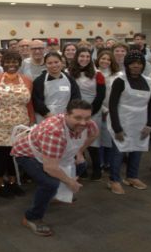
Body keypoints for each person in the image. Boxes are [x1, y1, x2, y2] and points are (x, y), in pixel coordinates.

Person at [11, 100, 98, 236]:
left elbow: (93, 135)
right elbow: (50, 167)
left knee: (82, 164)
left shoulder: (88, 123)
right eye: (77, 118)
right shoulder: (55, 131)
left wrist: (80, 152)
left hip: (52, 153)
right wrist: (70, 182)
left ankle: (55, 196)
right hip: (28, 154)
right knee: (50, 183)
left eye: (87, 118)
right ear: (66, 115)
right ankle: (31, 217)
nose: (83, 122)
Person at [0, 50, 35, 198]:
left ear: (19, 64)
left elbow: (30, 103)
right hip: (1, 121)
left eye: (14, 62)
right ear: (2, 63)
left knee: (16, 153)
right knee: (1, 154)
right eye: (8, 62)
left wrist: (32, 121)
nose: (11, 65)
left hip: (21, 121)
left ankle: (13, 182)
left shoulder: (27, 80)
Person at [107, 51, 151, 194]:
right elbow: (112, 105)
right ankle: (114, 180)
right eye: (133, 63)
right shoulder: (120, 81)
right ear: (127, 64)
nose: (136, 66)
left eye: (139, 63)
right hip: (123, 121)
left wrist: (150, 124)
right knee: (118, 152)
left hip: (141, 122)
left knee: (137, 149)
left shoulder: (148, 81)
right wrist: (117, 128)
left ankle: (132, 176)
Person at [69, 47, 106, 180]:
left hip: (93, 111)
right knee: (77, 140)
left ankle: (97, 169)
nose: (84, 59)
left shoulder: (98, 74)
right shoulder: (69, 72)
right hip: (76, 111)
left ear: (90, 59)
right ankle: (81, 168)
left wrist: (90, 113)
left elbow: (101, 95)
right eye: (81, 56)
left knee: (93, 141)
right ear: (76, 57)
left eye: (87, 57)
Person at [32, 52, 81, 123]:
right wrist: (48, 115)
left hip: (66, 116)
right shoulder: (39, 81)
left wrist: (69, 112)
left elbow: (76, 97)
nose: (53, 65)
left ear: (61, 62)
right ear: (45, 65)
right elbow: (36, 101)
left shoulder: (70, 79)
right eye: (50, 63)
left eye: (56, 62)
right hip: (45, 117)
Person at [95, 50, 122, 171]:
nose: (105, 61)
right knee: (98, 136)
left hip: (113, 110)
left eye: (108, 59)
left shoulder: (118, 75)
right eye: (103, 58)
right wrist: (103, 109)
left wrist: (111, 110)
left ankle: (109, 162)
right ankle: (99, 162)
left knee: (111, 136)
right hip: (98, 109)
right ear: (98, 59)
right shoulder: (93, 73)